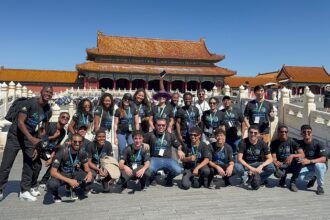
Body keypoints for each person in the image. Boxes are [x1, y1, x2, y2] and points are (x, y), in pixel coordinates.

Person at [0, 86, 53, 202]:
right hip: (15, 136)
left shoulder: (48, 109)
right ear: (41, 92)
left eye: (50, 93)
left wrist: (37, 143)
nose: (48, 94)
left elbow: (43, 128)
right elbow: (20, 121)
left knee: (29, 164)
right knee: (6, 164)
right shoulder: (30, 103)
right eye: (46, 91)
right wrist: (31, 138)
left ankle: (24, 191)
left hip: (30, 138)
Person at [46, 134, 93, 203]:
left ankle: (73, 188)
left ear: (82, 143)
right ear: (71, 141)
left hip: (74, 173)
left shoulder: (82, 152)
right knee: (51, 184)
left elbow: (86, 168)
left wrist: (89, 173)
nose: (77, 144)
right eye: (75, 141)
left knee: (91, 178)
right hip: (62, 174)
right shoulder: (62, 151)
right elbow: (53, 172)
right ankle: (56, 194)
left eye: (79, 142)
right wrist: (69, 181)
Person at [144, 118, 184, 186]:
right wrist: (144, 143)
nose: (161, 127)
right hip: (154, 159)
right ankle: (152, 178)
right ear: (155, 125)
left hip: (167, 159)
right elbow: (140, 142)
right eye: (159, 125)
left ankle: (169, 178)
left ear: (166, 126)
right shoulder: (149, 134)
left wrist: (179, 150)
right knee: (148, 170)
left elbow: (179, 145)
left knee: (178, 170)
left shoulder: (170, 135)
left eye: (163, 125)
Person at [39, 112, 70, 189]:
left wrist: (52, 157)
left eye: (67, 118)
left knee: (56, 161)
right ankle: (42, 182)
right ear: (59, 118)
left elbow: (55, 146)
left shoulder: (63, 132)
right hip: (40, 148)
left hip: (49, 150)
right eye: (63, 117)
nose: (65, 119)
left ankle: (45, 181)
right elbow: (41, 139)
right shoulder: (50, 126)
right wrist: (54, 136)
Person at [270, 124, 304, 192]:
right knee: (278, 174)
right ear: (278, 132)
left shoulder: (292, 141)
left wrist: (292, 155)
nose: (284, 133)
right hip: (281, 164)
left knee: (300, 160)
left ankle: (293, 182)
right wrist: (275, 161)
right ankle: (283, 178)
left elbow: (302, 154)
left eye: (285, 132)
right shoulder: (274, 143)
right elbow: (273, 155)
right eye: (282, 132)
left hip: (290, 163)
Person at [297, 125, 327, 195]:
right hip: (309, 167)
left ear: (312, 133)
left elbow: (324, 159)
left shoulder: (318, 143)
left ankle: (320, 186)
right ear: (301, 133)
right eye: (304, 132)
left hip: (321, 165)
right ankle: (314, 177)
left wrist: (310, 161)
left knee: (318, 166)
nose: (306, 133)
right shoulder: (299, 143)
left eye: (309, 132)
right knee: (300, 178)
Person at [114, 93, 139, 157]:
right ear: (123, 99)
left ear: (131, 101)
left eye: (129, 99)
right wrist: (115, 137)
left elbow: (136, 122)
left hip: (131, 133)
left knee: (132, 148)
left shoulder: (134, 109)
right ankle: (121, 165)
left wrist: (137, 133)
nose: (127, 101)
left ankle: (130, 163)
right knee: (122, 150)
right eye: (125, 99)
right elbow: (115, 124)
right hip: (121, 133)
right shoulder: (118, 110)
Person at [220, 96, 244, 161]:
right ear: (222, 102)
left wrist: (243, 133)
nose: (226, 101)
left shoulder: (237, 110)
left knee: (236, 152)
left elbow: (242, 122)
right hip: (226, 137)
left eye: (228, 100)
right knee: (227, 152)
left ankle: (236, 167)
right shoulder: (221, 112)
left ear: (231, 101)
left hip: (237, 137)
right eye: (224, 100)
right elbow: (221, 125)